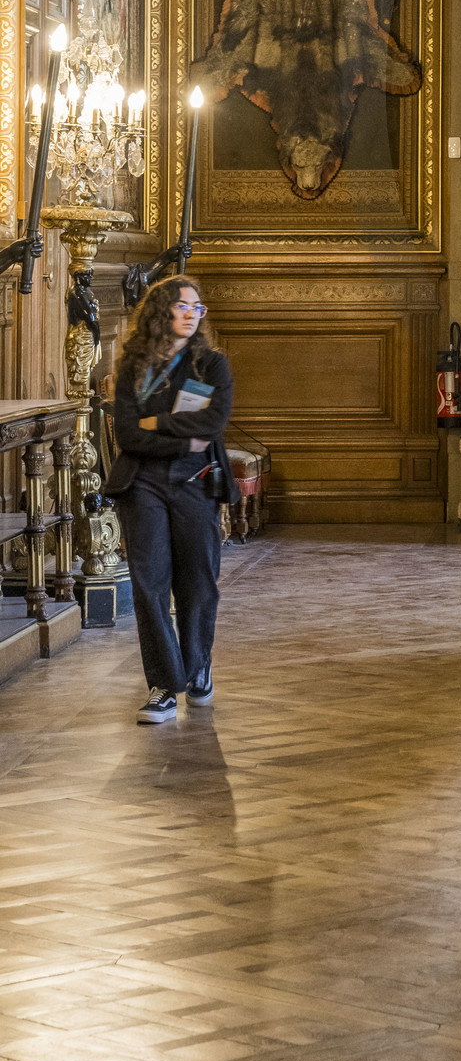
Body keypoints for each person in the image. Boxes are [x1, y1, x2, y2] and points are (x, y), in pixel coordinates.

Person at [107, 277, 237, 725]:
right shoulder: (134, 366)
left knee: (198, 583)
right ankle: (163, 685)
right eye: (183, 306)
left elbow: (213, 424)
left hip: (196, 482)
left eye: (198, 308)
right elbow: (127, 435)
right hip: (141, 483)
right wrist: (181, 438)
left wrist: (155, 423)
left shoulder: (211, 365)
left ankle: (198, 667)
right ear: (161, 311)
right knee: (150, 586)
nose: (191, 314)